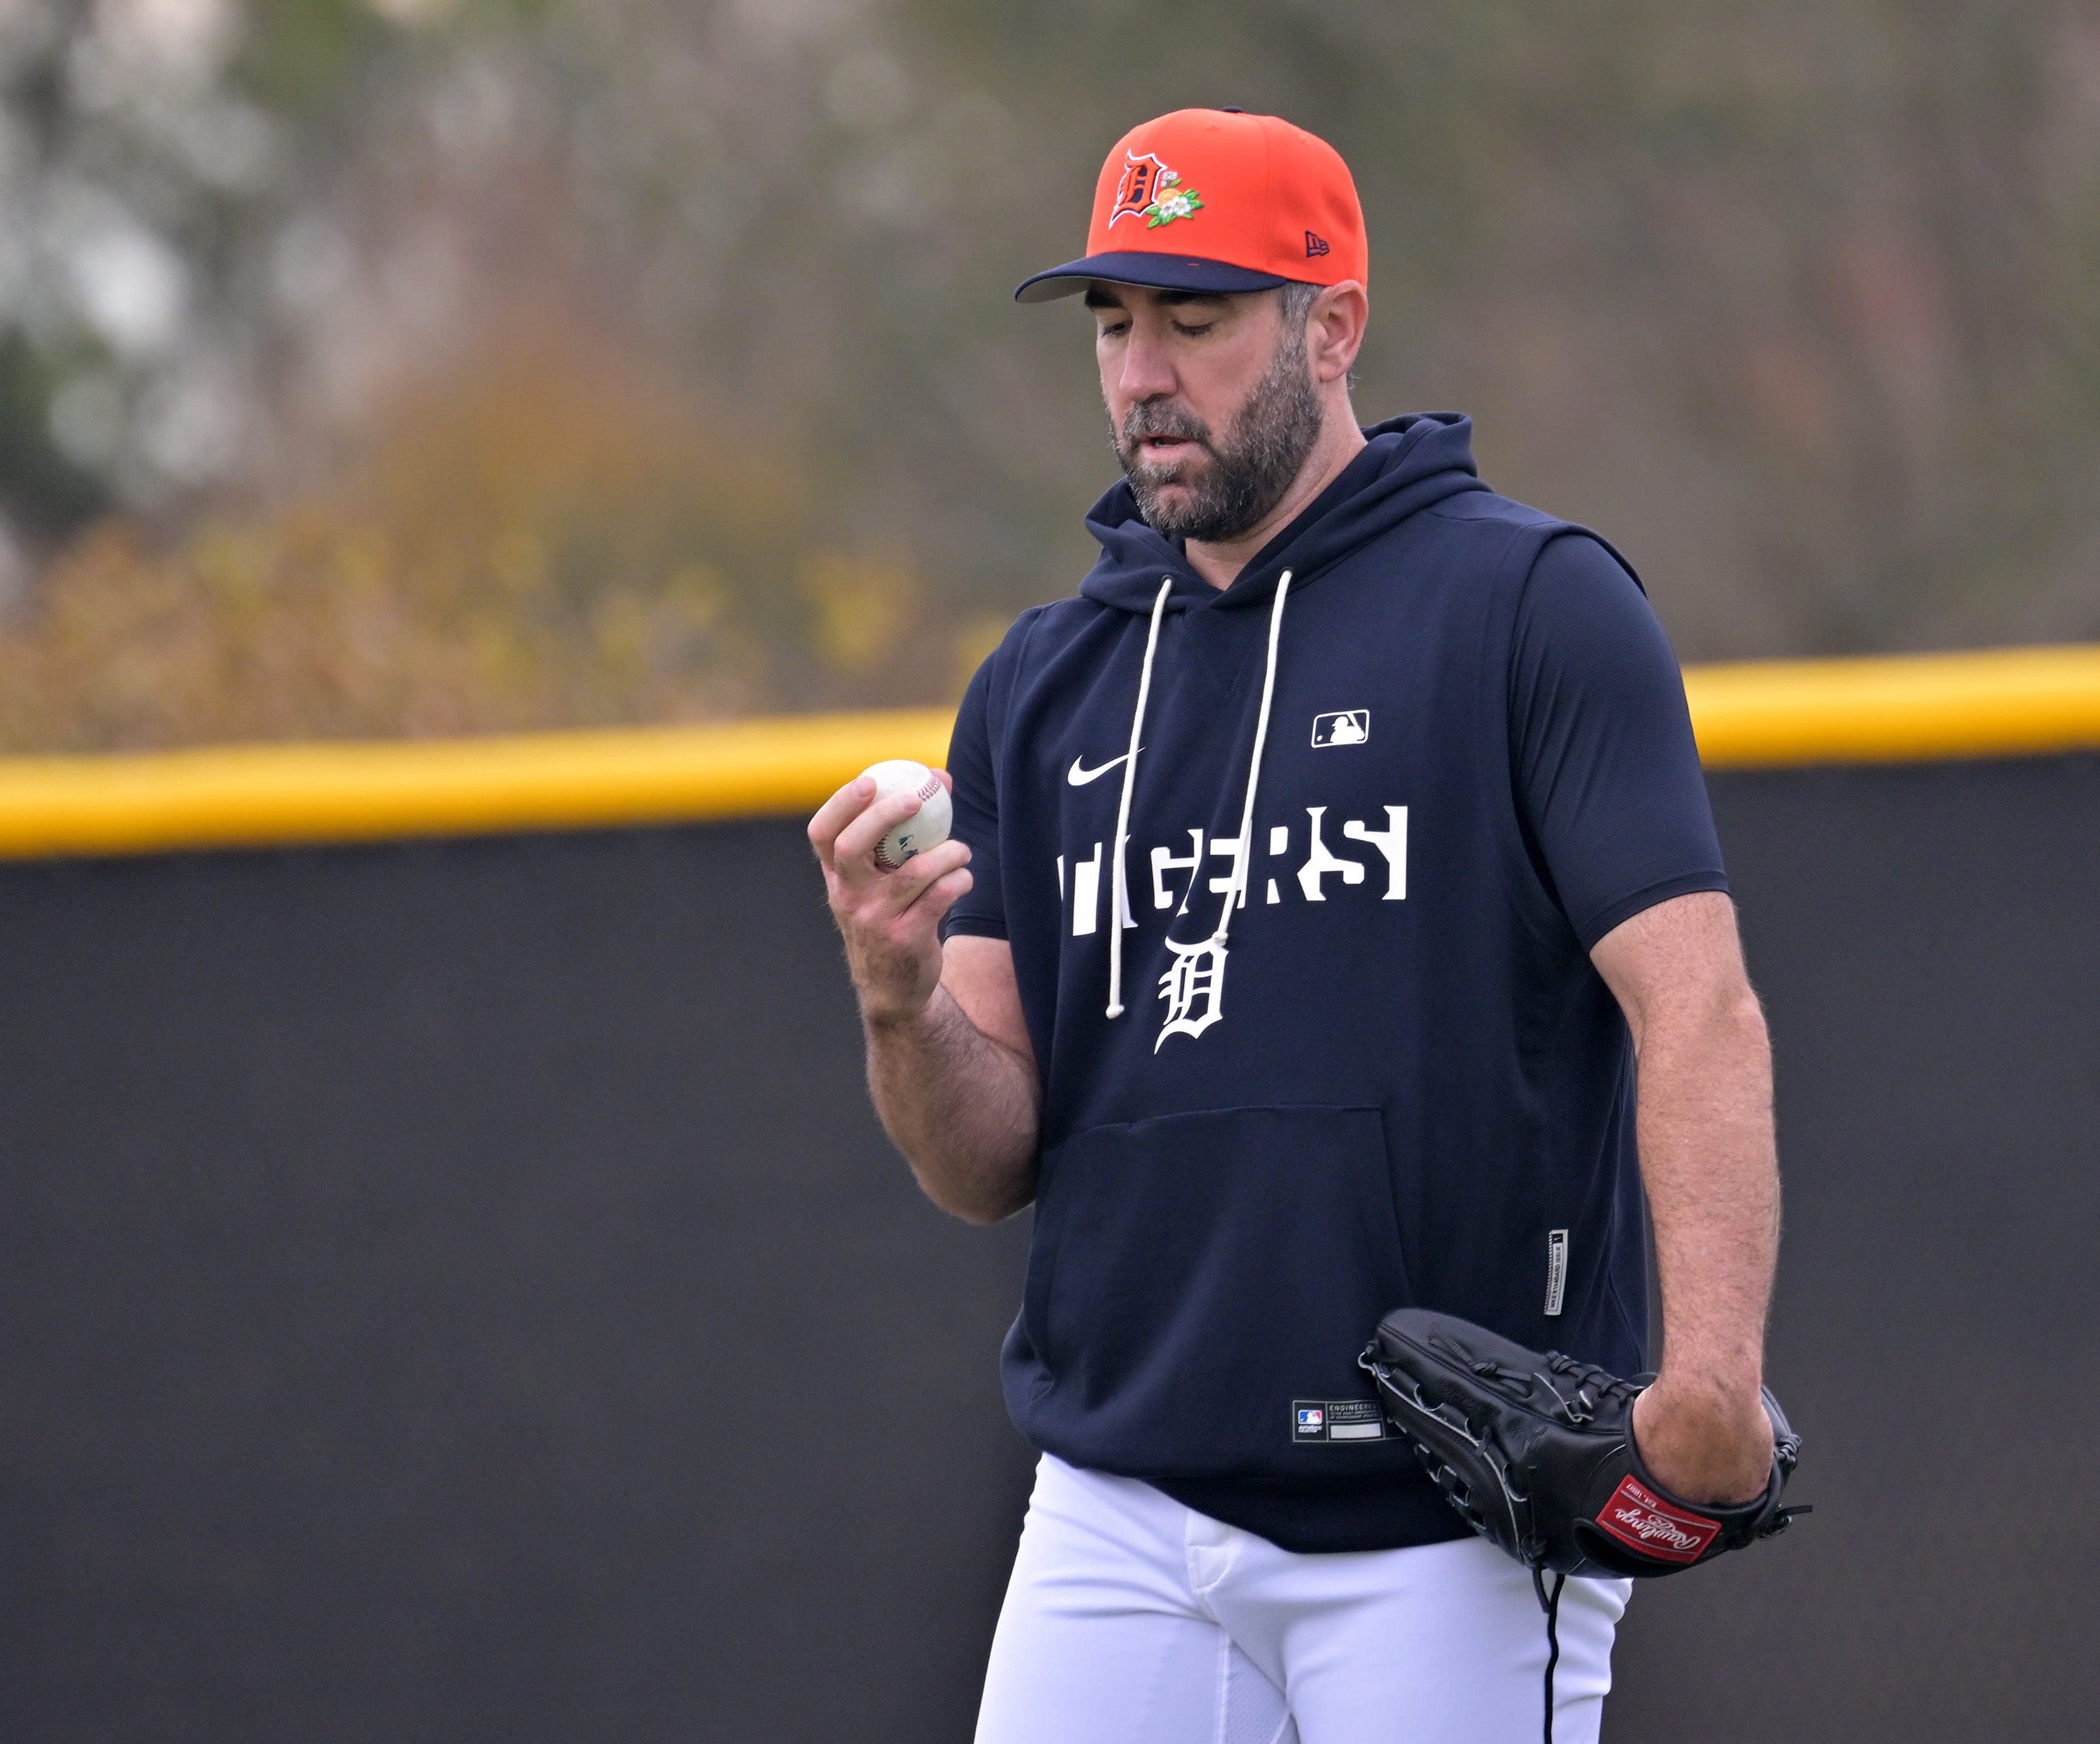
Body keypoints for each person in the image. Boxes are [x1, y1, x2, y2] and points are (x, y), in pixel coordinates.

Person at [807, 107, 1780, 1744]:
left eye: (1197, 318)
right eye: (1115, 323)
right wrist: (902, 1006)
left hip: (1443, 1529)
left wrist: (1710, 1380)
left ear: (1332, 326)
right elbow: (982, 1160)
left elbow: (1700, 1010)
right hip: (1116, 1505)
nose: (1141, 373)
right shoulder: (1043, 683)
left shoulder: (1529, 605)